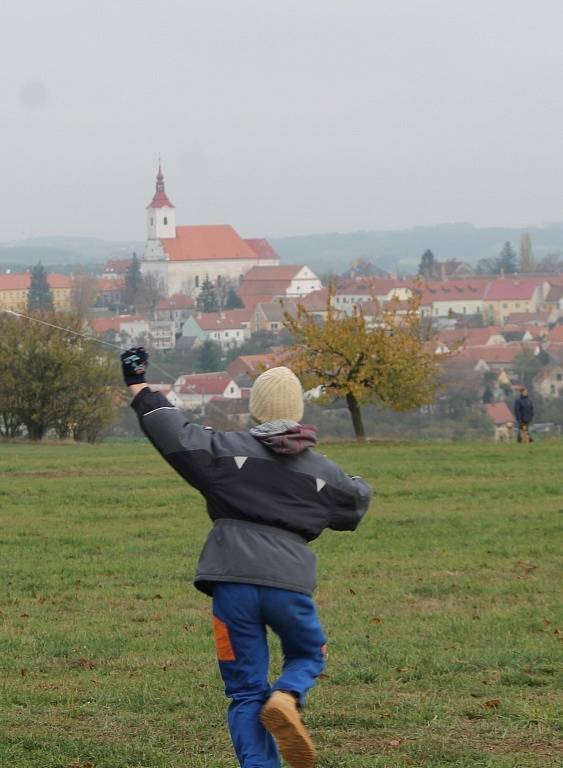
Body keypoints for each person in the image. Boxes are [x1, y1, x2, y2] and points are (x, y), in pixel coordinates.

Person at [121, 347, 372, 768]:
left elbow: (173, 431)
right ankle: (288, 695)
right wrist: (342, 475)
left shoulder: (219, 451)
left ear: (254, 410)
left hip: (231, 583)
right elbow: (355, 503)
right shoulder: (323, 472)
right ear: (297, 410)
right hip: (289, 585)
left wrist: (138, 382)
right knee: (309, 654)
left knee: (243, 690)